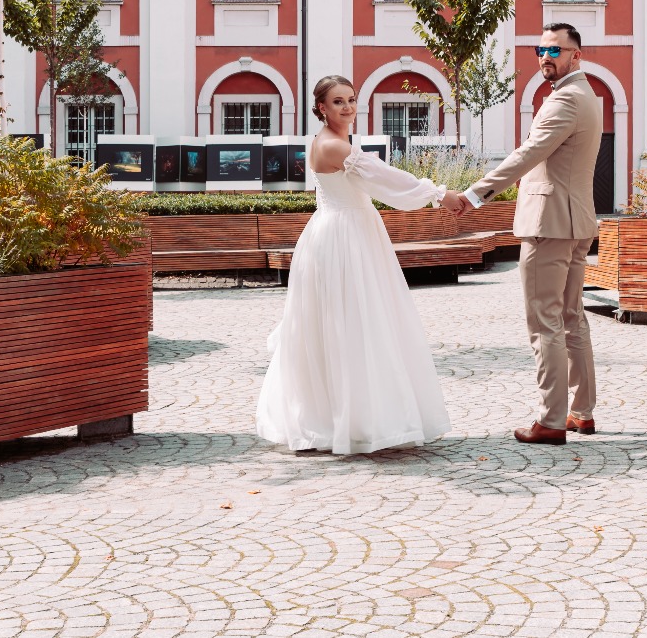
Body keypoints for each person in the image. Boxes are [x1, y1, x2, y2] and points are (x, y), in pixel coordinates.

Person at [254, 74, 452, 455]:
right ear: (321, 109)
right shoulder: (334, 147)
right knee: (352, 322)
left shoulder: (334, 142)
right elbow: (388, 180)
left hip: (345, 231)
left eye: (351, 99)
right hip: (344, 239)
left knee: (351, 321)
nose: (347, 107)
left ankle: (349, 415)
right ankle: (352, 419)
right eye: (338, 102)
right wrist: (439, 194)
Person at [444, 23, 602, 445]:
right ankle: (581, 412)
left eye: (556, 51)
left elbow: (529, 153)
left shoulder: (565, 99)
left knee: (545, 321)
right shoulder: (587, 95)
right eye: (541, 49)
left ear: (575, 55)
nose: (546, 57)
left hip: (550, 221)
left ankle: (551, 420)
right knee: (571, 318)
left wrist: (476, 193)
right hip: (573, 220)